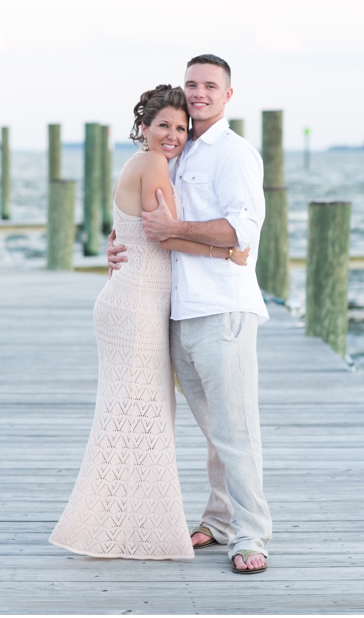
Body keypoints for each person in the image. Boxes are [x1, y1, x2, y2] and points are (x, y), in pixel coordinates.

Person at [49, 85, 250, 560]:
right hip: (136, 305)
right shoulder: (155, 165)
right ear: (144, 126)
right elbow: (168, 236)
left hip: (130, 300)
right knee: (143, 416)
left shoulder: (138, 163)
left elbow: (134, 233)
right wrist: (227, 251)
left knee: (133, 414)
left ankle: (120, 519)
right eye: (164, 125)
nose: (174, 135)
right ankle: (122, 525)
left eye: (181, 128)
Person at [108, 54, 271, 575]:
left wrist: (179, 232)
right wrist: (119, 244)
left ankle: (250, 536)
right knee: (212, 429)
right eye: (191, 84)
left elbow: (243, 230)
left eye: (209, 86)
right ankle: (219, 521)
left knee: (236, 430)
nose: (198, 93)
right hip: (175, 310)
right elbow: (142, 218)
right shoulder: (177, 151)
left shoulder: (235, 153)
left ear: (227, 95)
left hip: (222, 310)